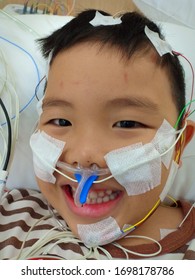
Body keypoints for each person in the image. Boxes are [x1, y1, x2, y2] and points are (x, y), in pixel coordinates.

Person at [0, 9, 195, 260]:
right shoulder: (11, 213)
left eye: (126, 123)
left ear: (178, 145)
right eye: (60, 120)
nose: (84, 156)